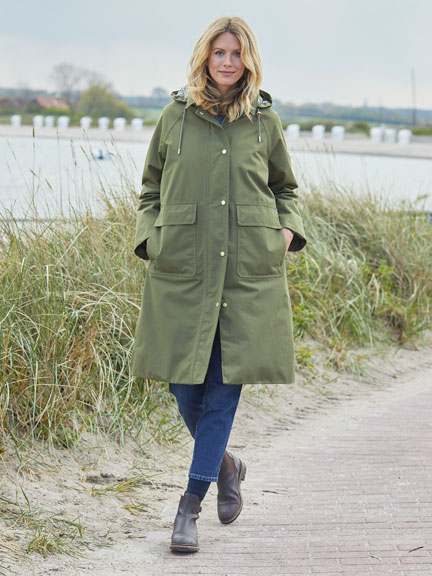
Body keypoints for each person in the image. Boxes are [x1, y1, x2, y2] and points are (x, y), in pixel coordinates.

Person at [132, 16, 307, 553]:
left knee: (223, 389)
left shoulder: (263, 122)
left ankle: (189, 507)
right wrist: (152, 240)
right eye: (219, 52)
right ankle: (227, 465)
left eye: (236, 53)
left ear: (248, 60)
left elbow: (287, 190)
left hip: (246, 276)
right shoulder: (173, 117)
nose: (227, 61)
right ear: (205, 57)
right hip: (183, 272)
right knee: (183, 387)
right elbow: (149, 190)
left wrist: (283, 235)